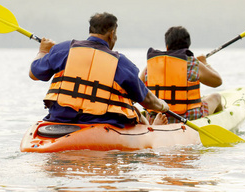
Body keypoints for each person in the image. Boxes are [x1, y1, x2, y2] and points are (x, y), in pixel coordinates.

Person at [29, 12, 169, 127]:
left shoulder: (65, 49)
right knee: (133, 110)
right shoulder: (120, 62)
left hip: (60, 119)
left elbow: (34, 74)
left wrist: (43, 51)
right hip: (101, 122)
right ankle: (153, 128)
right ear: (111, 33)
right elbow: (146, 99)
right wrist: (162, 106)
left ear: (91, 30)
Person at [139, 26, 223, 123]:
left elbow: (137, 88)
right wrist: (205, 63)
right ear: (187, 47)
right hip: (189, 119)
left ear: (167, 46)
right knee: (217, 97)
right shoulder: (192, 63)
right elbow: (218, 82)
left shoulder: (151, 65)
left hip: (158, 118)